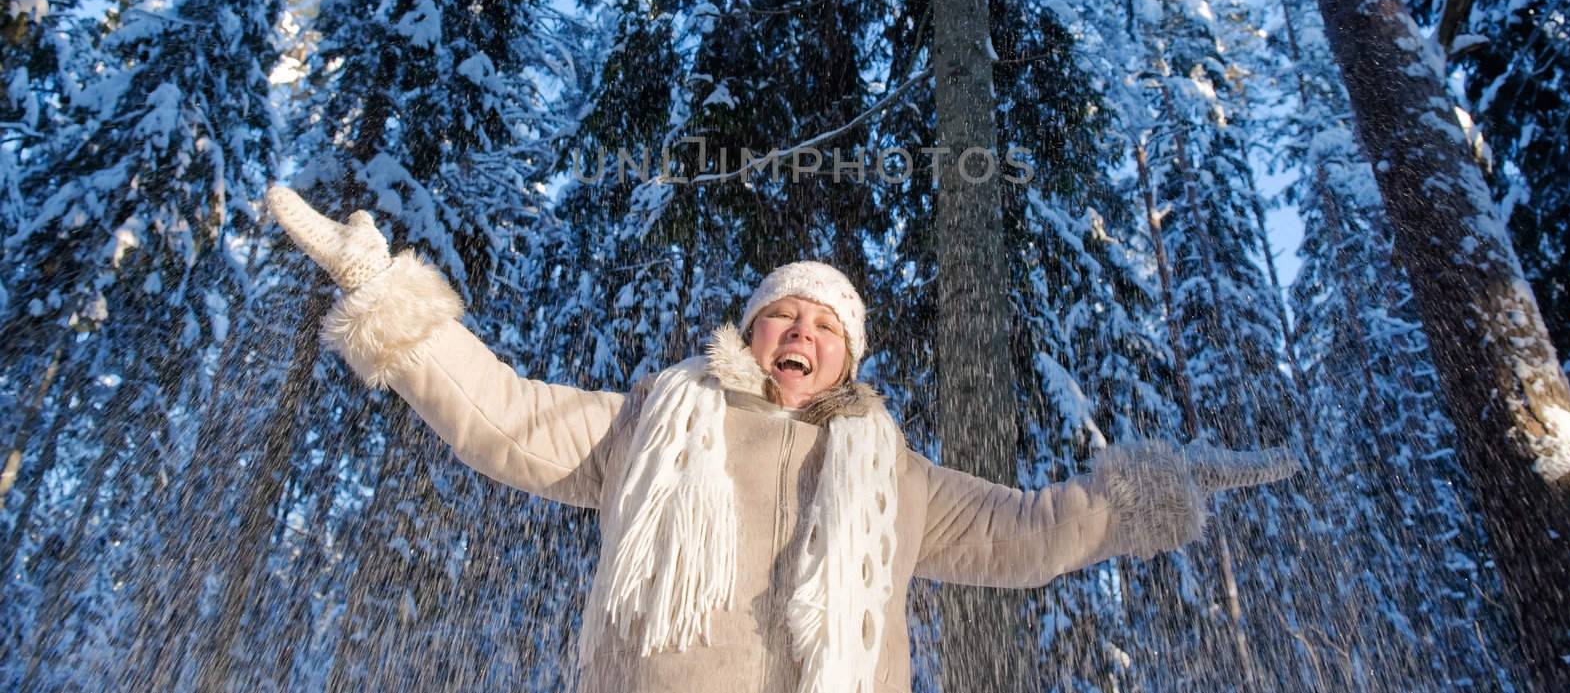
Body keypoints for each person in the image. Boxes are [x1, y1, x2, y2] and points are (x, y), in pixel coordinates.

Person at [266, 185, 1298, 693]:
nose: (801, 332)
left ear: (846, 360)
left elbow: (1030, 535)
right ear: (749, 333)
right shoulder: (654, 425)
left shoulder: (896, 475)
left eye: (825, 326)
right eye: (782, 316)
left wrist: (1145, 495)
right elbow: (501, 417)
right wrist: (386, 294)